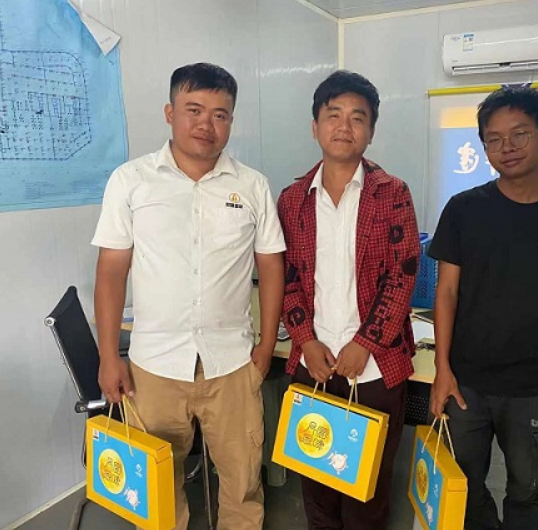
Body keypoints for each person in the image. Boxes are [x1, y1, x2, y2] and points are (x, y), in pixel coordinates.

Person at [92, 62, 285, 530]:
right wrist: (108, 356)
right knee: (156, 485)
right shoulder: (131, 181)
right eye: (194, 110)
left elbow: (271, 266)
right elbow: (112, 271)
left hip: (233, 363)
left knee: (243, 479)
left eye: (220, 114)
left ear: (231, 121)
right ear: (169, 112)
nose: (206, 124)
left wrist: (265, 347)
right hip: (154, 366)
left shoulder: (252, 186)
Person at [428, 86, 538, 530]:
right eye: (494, 138)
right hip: (466, 382)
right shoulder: (463, 209)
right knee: (464, 486)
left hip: (535, 384)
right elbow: (446, 292)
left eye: (520, 134)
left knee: (528, 488)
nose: (506, 147)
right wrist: (442, 368)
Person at [277, 70, 420, 530]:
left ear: (371, 131)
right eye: (333, 115)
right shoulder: (292, 199)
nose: (344, 126)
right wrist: (305, 339)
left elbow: (402, 275)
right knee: (316, 479)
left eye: (357, 118)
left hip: (374, 367)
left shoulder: (392, 193)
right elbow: (287, 277)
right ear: (315, 126)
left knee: (367, 488)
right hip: (313, 362)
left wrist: (365, 343)